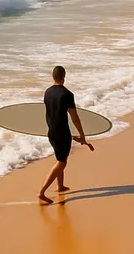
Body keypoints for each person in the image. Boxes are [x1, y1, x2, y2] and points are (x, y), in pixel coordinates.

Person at [38, 66, 88, 205]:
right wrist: (82, 136)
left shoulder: (47, 92)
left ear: (52, 76)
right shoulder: (67, 94)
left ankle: (60, 186)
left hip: (51, 131)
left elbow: (48, 112)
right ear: (64, 76)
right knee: (62, 162)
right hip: (62, 132)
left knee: (60, 157)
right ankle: (42, 192)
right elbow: (75, 118)